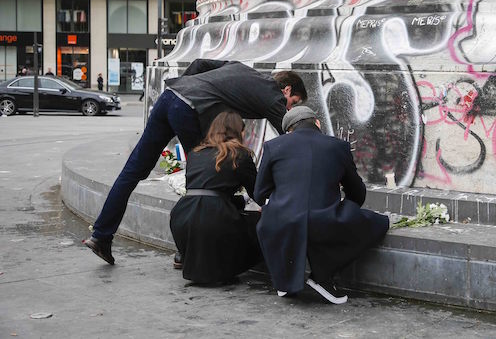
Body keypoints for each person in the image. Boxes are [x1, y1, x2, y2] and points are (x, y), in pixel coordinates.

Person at [83, 59, 307, 265]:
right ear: (286, 89)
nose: (287, 108)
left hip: (170, 96)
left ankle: (101, 235)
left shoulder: (240, 68)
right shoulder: (273, 94)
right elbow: (294, 135)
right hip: (189, 109)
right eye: (292, 102)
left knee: (133, 171)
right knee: (208, 174)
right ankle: (187, 251)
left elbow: (199, 64)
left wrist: (185, 87)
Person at [253, 106, 389, 304]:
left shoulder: (273, 146)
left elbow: (259, 193)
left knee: (281, 219)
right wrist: (342, 207)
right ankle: (321, 276)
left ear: (289, 130)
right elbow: (357, 193)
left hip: (280, 222)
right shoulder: (338, 146)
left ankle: (286, 281)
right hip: (326, 221)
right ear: (317, 123)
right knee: (378, 223)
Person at [170, 110, 262, 284]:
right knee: (260, 221)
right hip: (216, 219)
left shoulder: (196, 153)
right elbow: (258, 193)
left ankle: (184, 255)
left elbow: (206, 191)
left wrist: (238, 201)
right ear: (236, 131)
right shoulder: (239, 154)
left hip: (182, 215)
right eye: (243, 130)